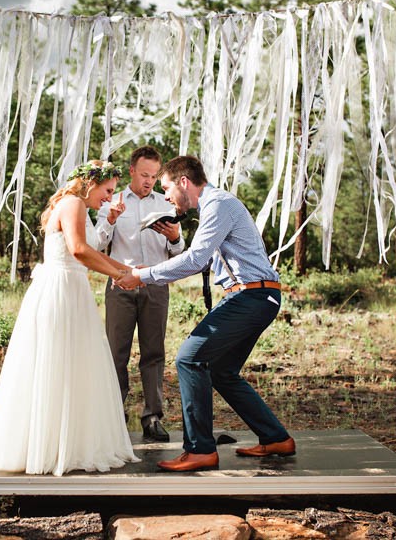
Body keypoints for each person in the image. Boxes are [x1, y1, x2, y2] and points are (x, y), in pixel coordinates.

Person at [116, 155, 295, 471]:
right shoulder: (215, 207)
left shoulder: (218, 205)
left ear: (184, 182)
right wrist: (151, 269)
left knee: (188, 358)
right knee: (222, 372)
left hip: (252, 296)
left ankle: (200, 449)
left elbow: (194, 260)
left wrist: (142, 276)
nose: (168, 197)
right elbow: (198, 258)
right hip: (254, 296)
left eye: (168, 188)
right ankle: (275, 437)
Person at [0, 160, 140, 476]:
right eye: (107, 191)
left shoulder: (79, 207)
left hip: (72, 290)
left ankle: (65, 442)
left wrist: (126, 270)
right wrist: (118, 276)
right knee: (58, 364)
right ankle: (50, 447)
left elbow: (92, 252)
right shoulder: (73, 203)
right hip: (62, 291)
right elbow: (79, 250)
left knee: (72, 367)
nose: (109, 198)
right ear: (91, 183)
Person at [96, 146, 185, 442]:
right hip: (121, 286)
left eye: (154, 175)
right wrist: (109, 220)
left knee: (154, 353)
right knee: (115, 354)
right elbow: (97, 245)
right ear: (132, 170)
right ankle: (112, 416)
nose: (149, 180)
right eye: (144, 174)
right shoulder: (112, 200)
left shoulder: (166, 203)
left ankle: (153, 417)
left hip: (156, 286)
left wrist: (175, 238)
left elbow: (177, 252)